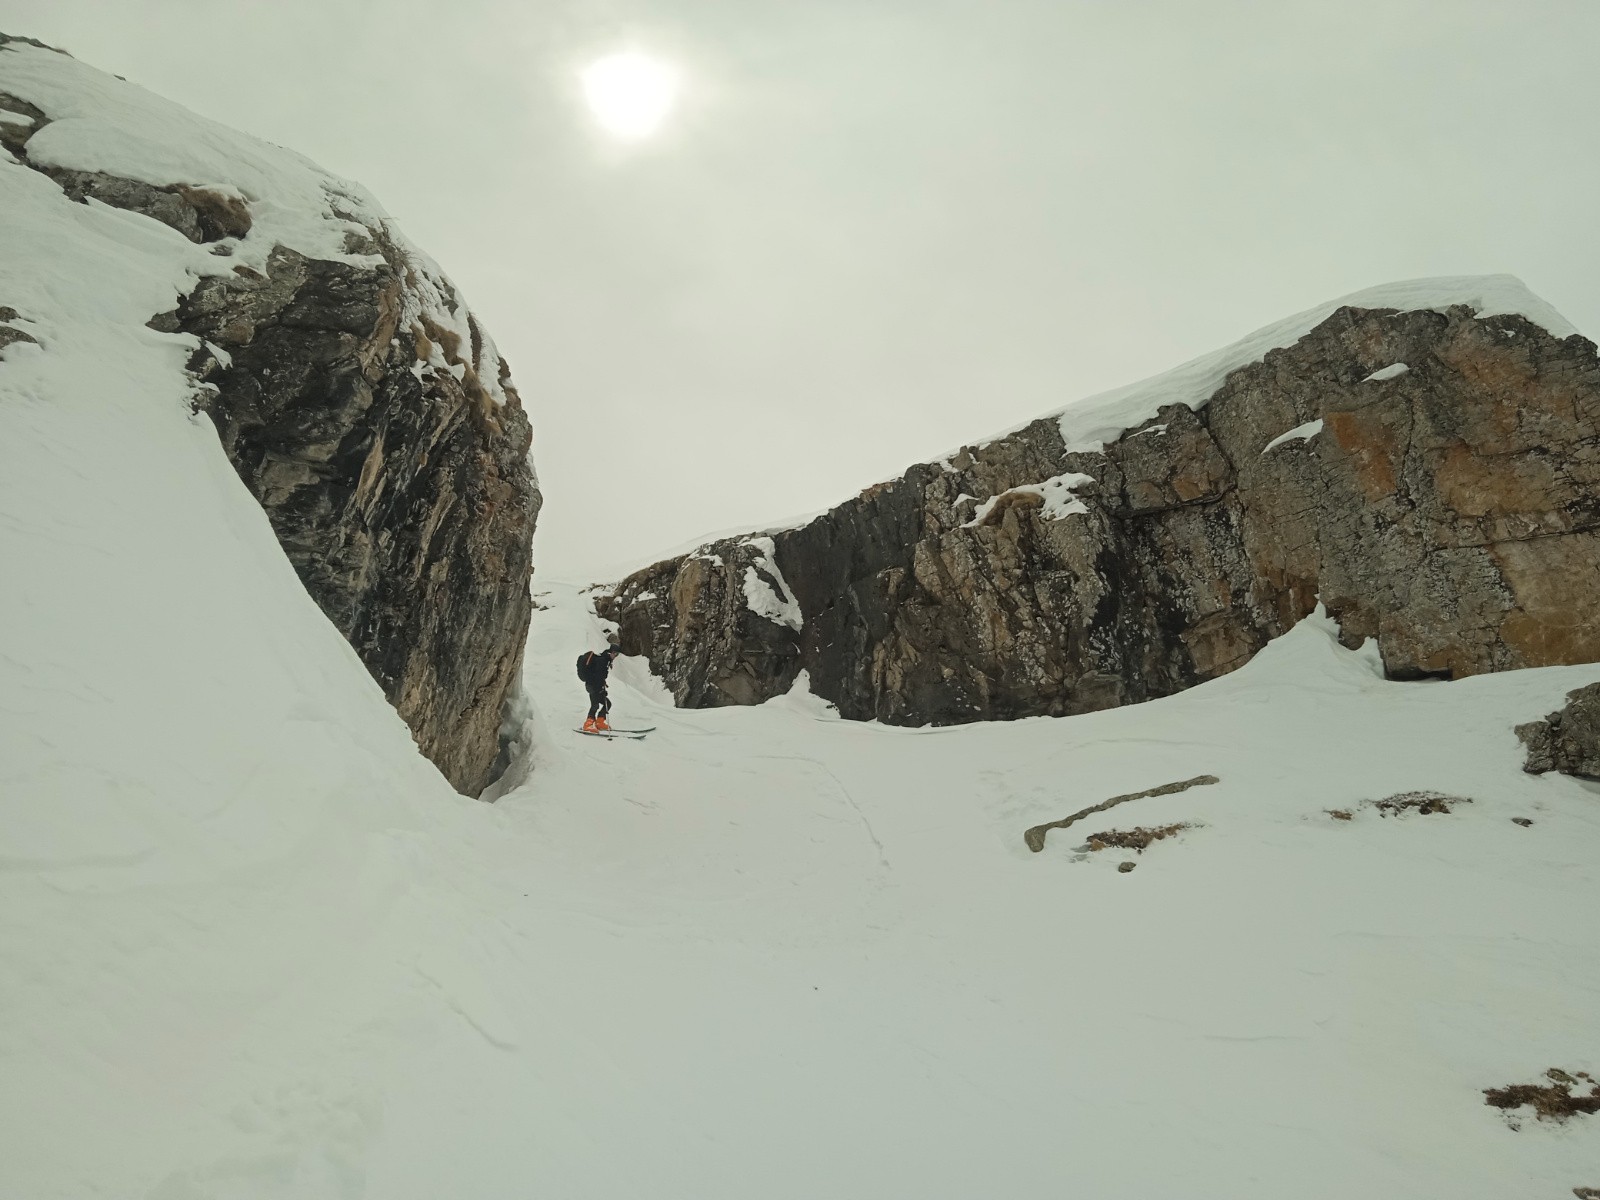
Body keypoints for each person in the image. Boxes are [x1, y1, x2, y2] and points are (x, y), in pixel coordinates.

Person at [576, 645, 622, 731]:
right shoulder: (602, 660)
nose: (616, 656)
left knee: (607, 704)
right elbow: (598, 676)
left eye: (617, 654)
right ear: (611, 652)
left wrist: (602, 687)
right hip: (592, 686)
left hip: (596, 686)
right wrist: (600, 688)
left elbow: (600, 677)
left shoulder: (606, 660)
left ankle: (599, 722)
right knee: (595, 705)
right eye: (615, 654)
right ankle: (588, 724)